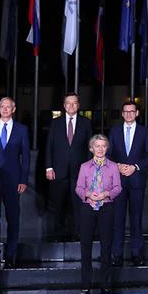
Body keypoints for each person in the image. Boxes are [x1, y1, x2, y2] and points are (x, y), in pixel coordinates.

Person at [0, 96, 30, 269]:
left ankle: (10, 255)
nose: (5, 109)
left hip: (13, 180)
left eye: (8, 107)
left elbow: (25, 157)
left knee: (13, 218)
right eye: (2, 106)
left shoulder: (22, 130)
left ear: (14, 109)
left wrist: (24, 179)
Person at [74, 134, 121, 294]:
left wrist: (105, 194)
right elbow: (79, 188)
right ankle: (85, 284)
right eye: (97, 146)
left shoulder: (113, 166)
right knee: (85, 246)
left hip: (106, 208)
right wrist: (87, 194)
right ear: (91, 148)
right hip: (88, 208)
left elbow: (117, 188)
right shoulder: (84, 166)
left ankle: (105, 283)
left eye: (103, 146)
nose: (100, 149)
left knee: (106, 246)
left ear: (107, 148)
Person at [44, 92, 92, 241]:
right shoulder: (55, 123)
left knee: (78, 204)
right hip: (58, 171)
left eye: (74, 103)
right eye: (68, 103)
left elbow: (90, 148)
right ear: (64, 106)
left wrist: (89, 170)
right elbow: (49, 146)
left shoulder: (86, 123)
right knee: (58, 204)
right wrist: (49, 167)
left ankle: (78, 233)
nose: (71, 106)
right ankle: (58, 234)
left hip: (80, 171)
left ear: (78, 105)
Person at [108, 99, 148, 266]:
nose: (129, 114)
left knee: (136, 219)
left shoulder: (144, 132)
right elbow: (108, 153)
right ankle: (116, 255)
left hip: (136, 180)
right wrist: (116, 166)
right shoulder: (114, 131)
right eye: (126, 111)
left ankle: (136, 254)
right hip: (118, 181)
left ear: (137, 113)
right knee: (117, 220)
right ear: (122, 113)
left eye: (132, 111)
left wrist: (136, 167)